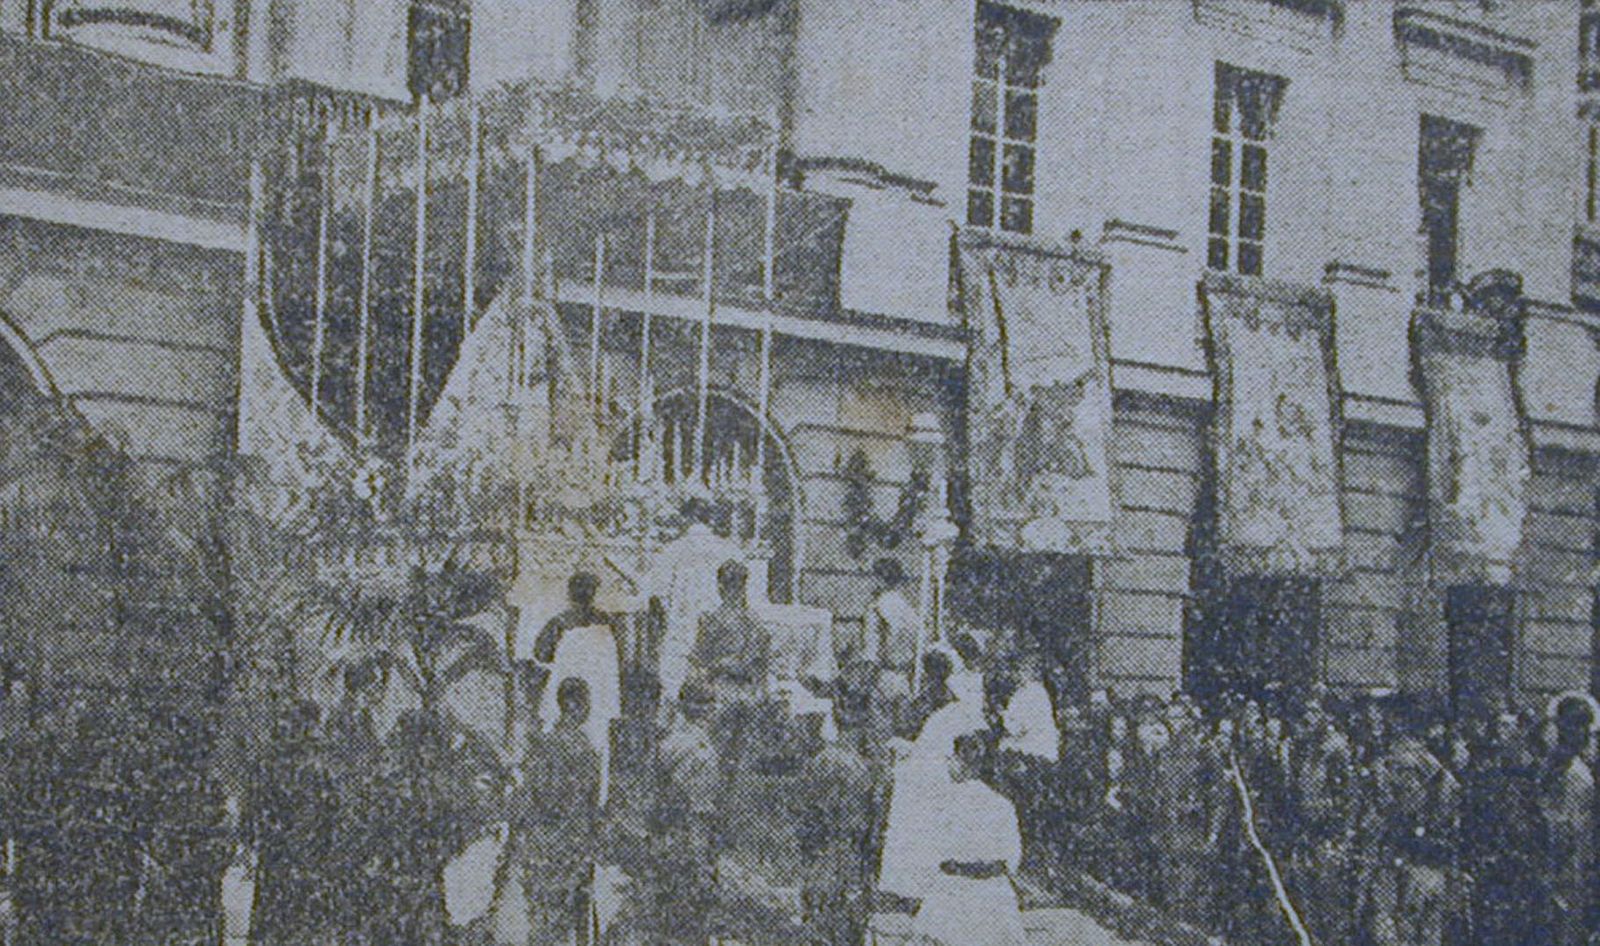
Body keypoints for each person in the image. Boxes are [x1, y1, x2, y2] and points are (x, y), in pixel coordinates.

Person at [511, 678, 603, 946]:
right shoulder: (583, 748)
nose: (588, 709)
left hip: (543, 845)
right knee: (572, 919)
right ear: (575, 704)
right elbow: (587, 801)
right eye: (585, 702)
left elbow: (530, 795)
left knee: (544, 920)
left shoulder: (542, 744)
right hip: (572, 844)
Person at [651, 499, 746, 720]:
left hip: (682, 630)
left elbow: (657, 595)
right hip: (722, 629)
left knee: (675, 688)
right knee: (717, 688)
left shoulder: (673, 550)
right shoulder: (730, 549)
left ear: (687, 518)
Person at [535, 571, 623, 802]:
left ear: (570, 593)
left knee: (564, 745)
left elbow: (541, 654)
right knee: (595, 745)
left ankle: (558, 798)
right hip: (595, 692)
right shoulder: (607, 622)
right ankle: (592, 799)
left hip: (573, 690)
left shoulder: (561, 622)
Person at [688, 560, 774, 767]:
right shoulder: (754, 623)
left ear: (720, 587)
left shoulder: (711, 621)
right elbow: (761, 666)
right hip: (746, 692)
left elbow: (700, 661)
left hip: (721, 691)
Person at [1540, 694, 1597, 946]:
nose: (1582, 733)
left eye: (1585, 726)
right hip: (1558, 856)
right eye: (1575, 725)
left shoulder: (1579, 768)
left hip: (1577, 858)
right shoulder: (1558, 767)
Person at [867, 557, 921, 695]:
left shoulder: (880, 604)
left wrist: (873, 665)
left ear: (879, 578)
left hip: (886, 671)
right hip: (905, 672)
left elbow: (875, 641)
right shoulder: (905, 605)